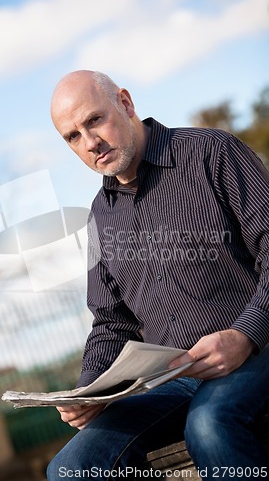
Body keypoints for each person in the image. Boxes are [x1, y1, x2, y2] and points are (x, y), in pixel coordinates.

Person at [47, 70, 269, 480]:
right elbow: (113, 320)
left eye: (94, 120)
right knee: (71, 468)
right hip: (171, 381)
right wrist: (90, 391)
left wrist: (245, 334)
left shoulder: (212, 153)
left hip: (257, 351)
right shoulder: (100, 214)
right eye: (73, 136)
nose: (90, 143)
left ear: (126, 104)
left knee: (209, 424)